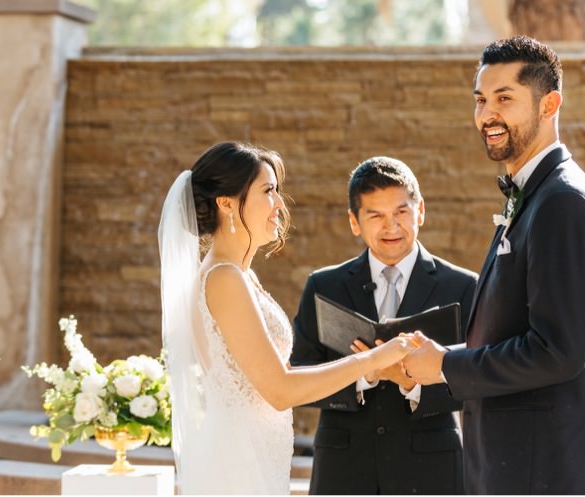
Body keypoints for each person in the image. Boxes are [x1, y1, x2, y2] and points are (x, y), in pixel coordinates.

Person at [399, 36, 585, 494]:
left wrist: (446, 364)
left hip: (546, 475)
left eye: (505, 98)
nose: (487, 115)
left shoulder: (564, 203)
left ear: (549, 104)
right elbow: (509, 332)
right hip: (513, 471)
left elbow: (556, 352)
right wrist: (430, 364)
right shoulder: (535, 196)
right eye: (481, 100)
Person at [156, 141, 416, 494]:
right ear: (227, 203)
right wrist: (371, 358)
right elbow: (279, 390)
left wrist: (364, 368)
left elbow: (277, 376)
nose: (280, 204)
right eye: (268, 191)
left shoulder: (239, 275)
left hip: (257, 457)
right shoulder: (224, 279)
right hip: (238, 466)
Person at [289, 156, 476, 494]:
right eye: (375, 215)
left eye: (401, 212)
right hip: (343, 471)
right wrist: (364, 374)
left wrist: (412, 383)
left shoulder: (464, 287)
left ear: (420, 211)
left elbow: (479, 377)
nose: (390, 227)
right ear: (354, 222)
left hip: (432, 472)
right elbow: (300, 372)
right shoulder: (323, 287)